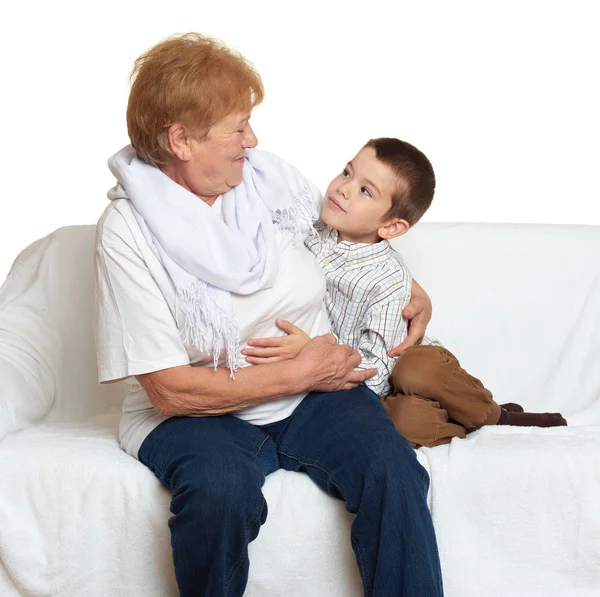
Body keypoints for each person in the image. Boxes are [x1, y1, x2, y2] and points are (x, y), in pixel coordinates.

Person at [94, 33, 443, 596]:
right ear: (182, 140)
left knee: (394, 471)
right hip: (199, 416)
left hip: (314, 397)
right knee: (219, 493)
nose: (251, 139)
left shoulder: (265, 179)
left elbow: (346, 235)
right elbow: (169, 391)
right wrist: (303, 371)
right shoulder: (128, 232)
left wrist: (408, 285)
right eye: (237, 127)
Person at [243, 137, 567, 448]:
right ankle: (462, 425)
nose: (343, 187)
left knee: (416, 371)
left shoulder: (387, 280)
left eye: (365, 191)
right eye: (346, 172)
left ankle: (492, 415)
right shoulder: (311, 230)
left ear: (392, 227)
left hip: (391, 366)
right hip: (361, 389)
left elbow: (379, 369)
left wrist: (313, 353)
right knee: (402, 423)